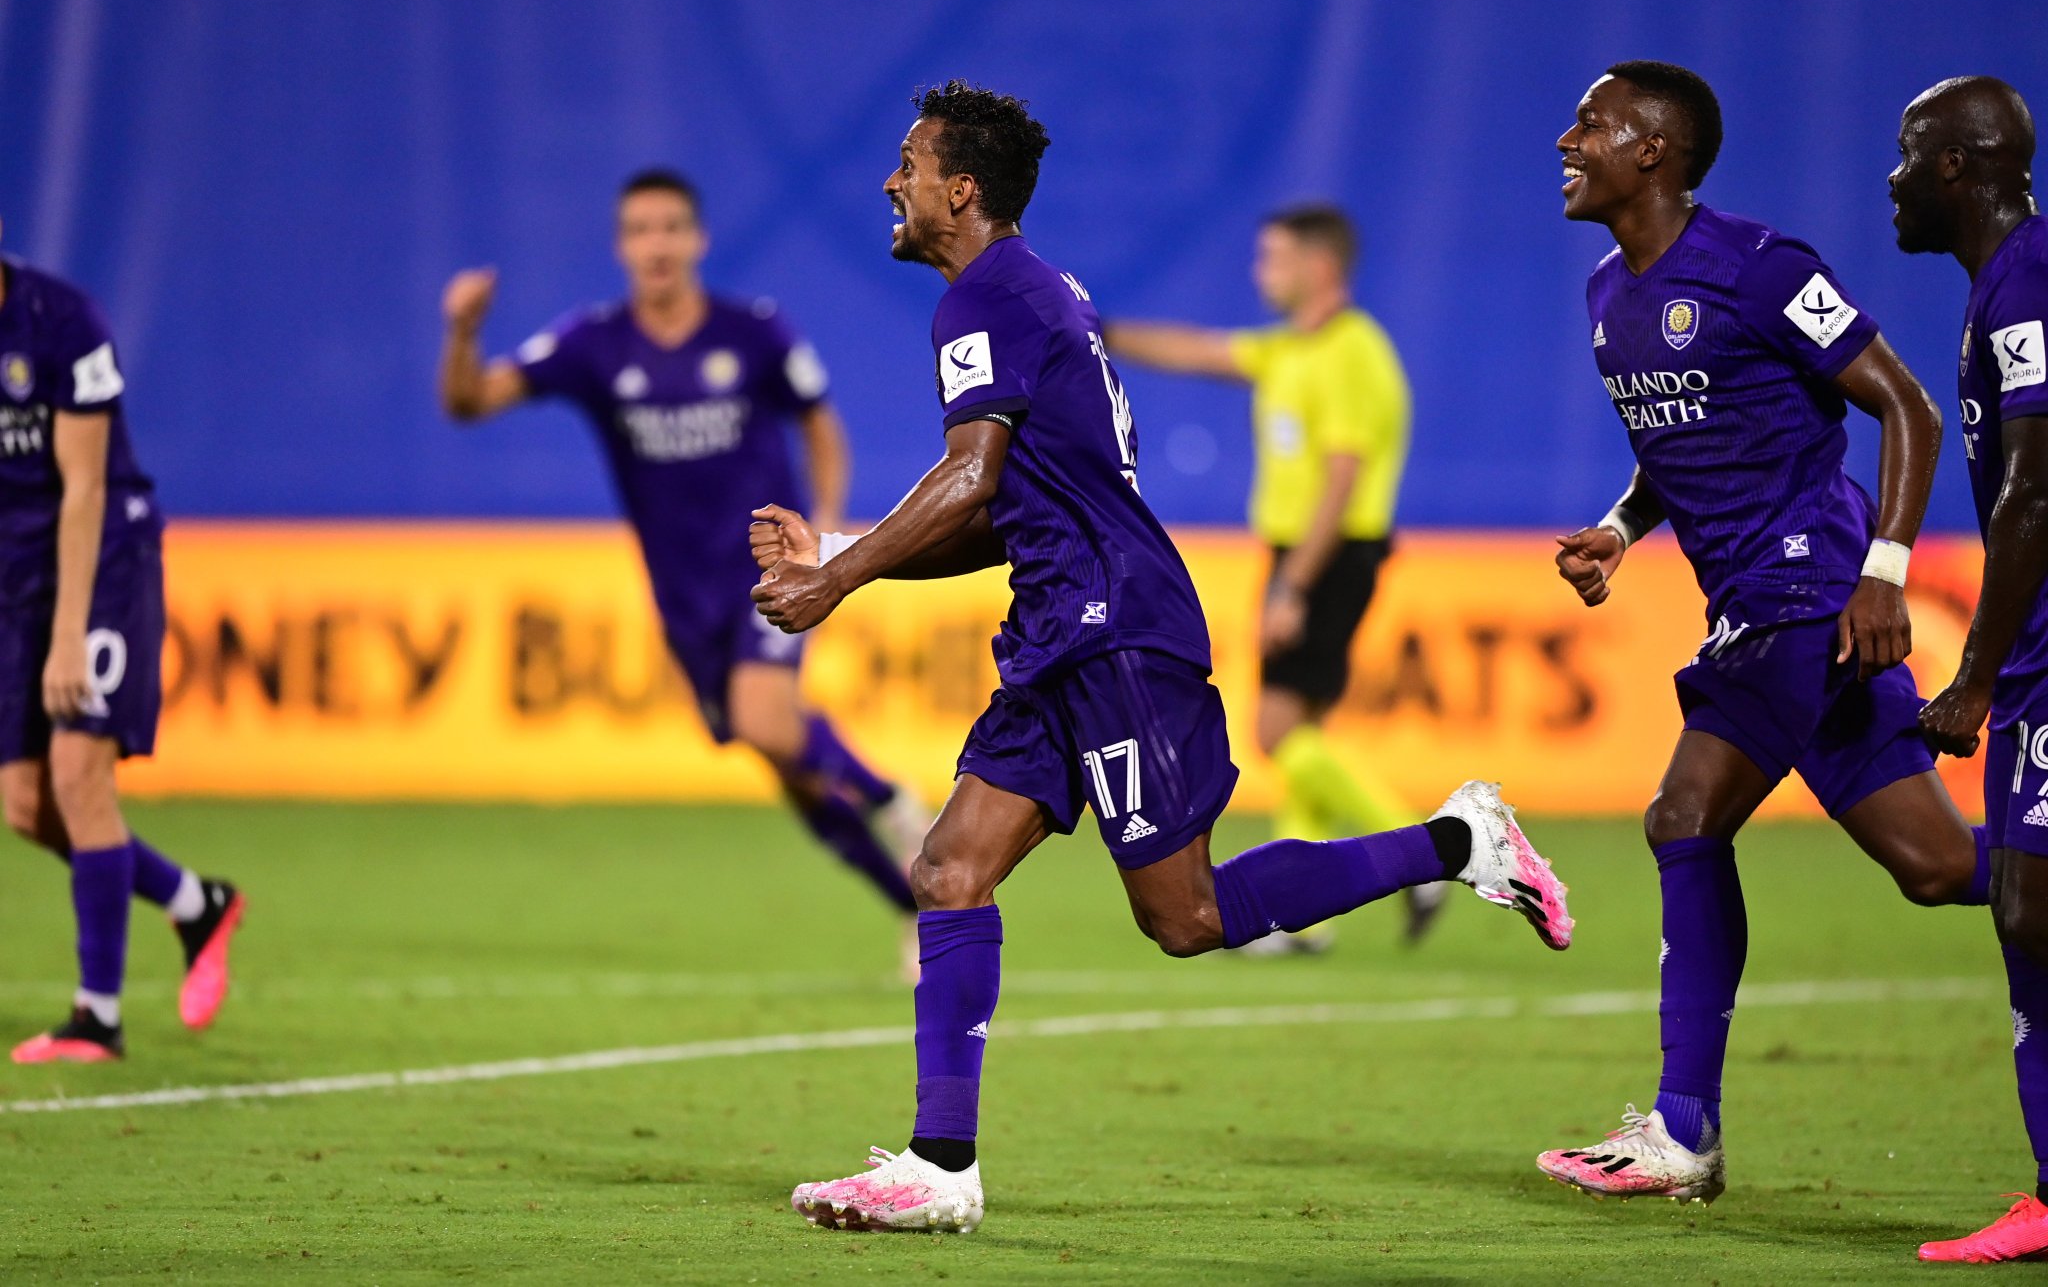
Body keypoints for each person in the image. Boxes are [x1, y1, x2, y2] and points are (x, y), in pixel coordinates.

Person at [749, 80, 1573, 1234]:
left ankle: (1461, 838)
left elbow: (971, 480)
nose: (893, 182)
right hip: (1057, 628)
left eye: (909, 162)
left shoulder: (987, 297)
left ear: (961, 188)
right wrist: (848, 551)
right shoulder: (1031, 292)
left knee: (1183, 916)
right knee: (947, 871)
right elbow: (995, 514)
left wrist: (836, 575)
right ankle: (939, 1168)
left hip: (1115, 630)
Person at [1534, 61, 1991, 1203]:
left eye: (1589, 122)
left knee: (1682, 815)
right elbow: (1677, 435)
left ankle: (1682, 1130)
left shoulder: (1758, 266)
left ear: (1652, 150)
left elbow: (1905, 405)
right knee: (1935, 868)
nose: (1565, 138)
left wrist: (1881, 573)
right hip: (1752, 596)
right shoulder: (1606, 292)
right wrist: (1619, 527)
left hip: (1809, 589)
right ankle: (1682, 1129)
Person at [438, 168, 925, 957]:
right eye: (640, 230)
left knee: (769, 720)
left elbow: (822, 429)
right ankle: (913, 904)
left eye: (670, 227)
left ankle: (893, 799)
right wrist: (462, 333)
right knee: (786, 767)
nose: (656, 244)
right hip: (683, 597)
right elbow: (469, 403)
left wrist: (829, 534)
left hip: (770, 568)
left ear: (696, 240)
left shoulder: (756, 332)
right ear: (622, 246)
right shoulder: (591, 345)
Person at [1103, 204, 1442, 951]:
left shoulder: (1355, 353)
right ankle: (1303, 918)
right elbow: (1199, 352)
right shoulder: (1291, 349)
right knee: (1304, 732)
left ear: (1319, 268)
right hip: (1308, 556)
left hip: (1328, 554)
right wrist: (1104, 333)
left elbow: (1341, 481)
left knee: (1274, 732)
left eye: (1273, 258)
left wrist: (1294, 585)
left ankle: (1427, 851)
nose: (1260, 273)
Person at [0, 243, 244, 1064]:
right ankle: (193, 902)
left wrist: (69, 634)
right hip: (11, 579)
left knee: (77, 774)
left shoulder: (62, 323)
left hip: (100, 562)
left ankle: (96, 1015)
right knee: (26, 804)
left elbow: (85, 487)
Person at [1894, 77, 2048, 1264]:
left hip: (2043, 663)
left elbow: (2033, 486)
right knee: (2016, 900)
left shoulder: (2026, 281)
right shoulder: (1995, 289)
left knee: (2029, 904)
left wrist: (1979, 676)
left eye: (1906, 158)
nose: (1889, 180)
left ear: (1956, 168)